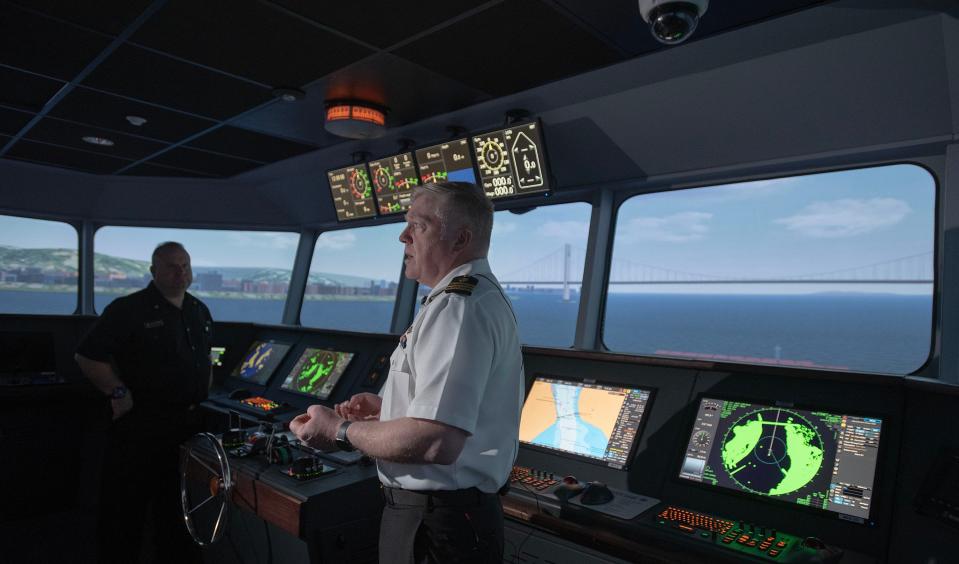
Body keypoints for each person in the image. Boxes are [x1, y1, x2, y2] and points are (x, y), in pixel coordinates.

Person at [290, 181, 524, 563]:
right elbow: (451, 414)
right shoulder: (462, 299)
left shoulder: (459, 309)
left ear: (460, 239)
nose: (403, 236)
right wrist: (391, 410)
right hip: (436, 515)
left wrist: (339, 430)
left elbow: (436, 441)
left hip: (437, 524)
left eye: (419, 225)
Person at [75, 241, 212, 564]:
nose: (180, 272)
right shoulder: (128, 310)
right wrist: (119, 392)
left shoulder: (198, 310)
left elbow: (205, 357)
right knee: (125, 514)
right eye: (171, 266)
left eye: (185, 265)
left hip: (186, 429)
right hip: (141, 428)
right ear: (154, 272)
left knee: (176, 511)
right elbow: (87, 355)